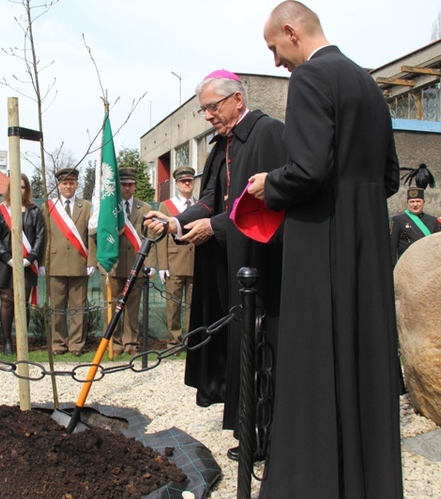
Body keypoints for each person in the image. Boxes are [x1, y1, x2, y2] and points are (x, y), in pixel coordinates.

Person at [246, 2, 403, 496]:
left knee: (316, 365)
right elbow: (389, 177)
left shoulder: (311, 80)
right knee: (363, 366)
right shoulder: (369, 86)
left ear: (291, 32)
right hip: (368, 246)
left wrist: (268, 184)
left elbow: (308, 170)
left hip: (323, 244)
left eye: (274, 48)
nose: (276, 62)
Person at [145, 70, 286, 461]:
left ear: (237, 99)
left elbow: (270, 205)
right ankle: (250, 432)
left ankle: (269, 433)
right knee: (238, 345)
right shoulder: (221, 145)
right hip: (229, 262)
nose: (207, 115)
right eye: (204, 108)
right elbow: (210, 199)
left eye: (212, 106)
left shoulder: (268, 133)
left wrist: (216, 226)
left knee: (262, 346)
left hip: (262, 263)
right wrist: (177, 222)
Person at [97, 167, 155, 356]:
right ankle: (115, 341)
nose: (127, 188)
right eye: (123, 184)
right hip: (114, 264)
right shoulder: (109, 208)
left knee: (132, 306)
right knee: (113, 304)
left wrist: (151, 263)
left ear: (135, 186)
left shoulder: (145, 208)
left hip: (136, 264)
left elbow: (151, 237)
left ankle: (131, 343)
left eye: (130, 184)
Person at [40, 168, 96, 356]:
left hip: (80, 263)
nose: (68, 186)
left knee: (78, 307)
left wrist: (92, 261)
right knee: (57, 308)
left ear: (77, 185)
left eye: (71, 183)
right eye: (64, 183)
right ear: (58, 185)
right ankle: (58, 343)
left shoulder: (86, 206)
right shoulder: (49, 207)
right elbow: (44, 237)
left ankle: (76, 345)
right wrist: (42, 262)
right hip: (55, 263)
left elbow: (91, 236)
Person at [0, 173, 45, 355]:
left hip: (26, 264)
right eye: (16, 186)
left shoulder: (35, 211)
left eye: (22, 187)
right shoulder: (1, 210)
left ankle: (22, 340)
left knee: (23, 303)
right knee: (7, 303)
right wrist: (8, 258)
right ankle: (7, 342)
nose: (19, 190)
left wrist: (30, 258)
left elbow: (40, 236)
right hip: (5, 263)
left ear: (27, 189)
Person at [155, 166, 196, 348]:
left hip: (196, 262)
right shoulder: (166, 206)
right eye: (183, 181)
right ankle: (174, 341)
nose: (187, 184)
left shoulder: (200, 204)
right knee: (173, 306)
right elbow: (160, 236)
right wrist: (162, 265)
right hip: (174, 263)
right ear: (176, 183)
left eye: (190, 180)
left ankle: (192, 340)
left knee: (193, 306)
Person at [390, 187, 441, 263]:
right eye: (412, 201)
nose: (415, 204)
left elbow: (438, 245)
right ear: (407, 203)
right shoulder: (399, 220)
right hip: (407, 262)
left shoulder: (433, 220)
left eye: (418, 201)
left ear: (423, 202)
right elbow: (392, 246)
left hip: (428, 262)